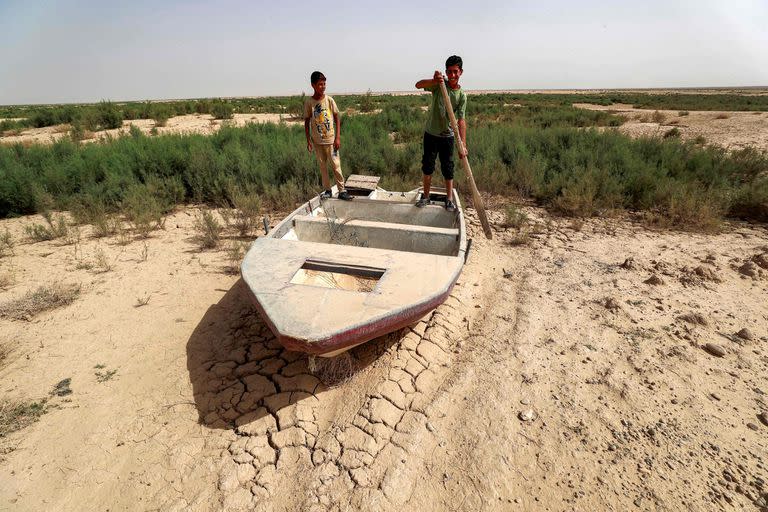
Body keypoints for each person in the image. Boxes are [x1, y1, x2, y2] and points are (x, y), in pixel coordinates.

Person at [414, 55, 467, 212]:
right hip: (431, 134)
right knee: (428, 166)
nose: (452, 75)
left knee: (448, 167)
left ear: (461, 72)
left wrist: (462, 145)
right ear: (446, 71)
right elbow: (418, 85)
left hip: (448, 137)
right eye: (449, 72)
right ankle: (426, 196)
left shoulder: (462, 95)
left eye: (455, 72)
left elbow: (461, 121)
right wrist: (435, 81)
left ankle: (449, 200)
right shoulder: (439, 85)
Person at [304, 71, 352, 200]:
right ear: (313, 85)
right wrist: (308, 141)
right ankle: (327, 190)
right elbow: (307, 122)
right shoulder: (309, 103)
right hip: (318, 142)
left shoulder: (329, 100)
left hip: (331, 141)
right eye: (320, 84)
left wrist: (337, 137)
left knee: (336, 165)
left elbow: (337, 117)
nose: (323, 86)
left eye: (324, 84)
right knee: (323, 167)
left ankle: (342, 191)